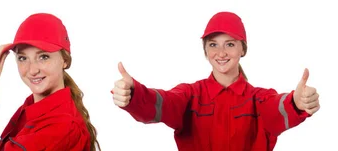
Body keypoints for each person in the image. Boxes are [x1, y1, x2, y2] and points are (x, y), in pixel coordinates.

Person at [111, 11, 320, 151]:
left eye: (230, 44)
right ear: (205, 51)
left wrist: (297, 103)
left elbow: (278, 108)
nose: (221, 53)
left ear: (243, 49)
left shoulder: (259, 99)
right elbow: (163, 102)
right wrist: (134, 95)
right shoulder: (189, 95)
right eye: (213, 45)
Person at [0, 13, 100, 151]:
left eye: (43, 57)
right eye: (23, 58)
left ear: (65, 60)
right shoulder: (32, 110)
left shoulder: (62, 127)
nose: (32, 70)